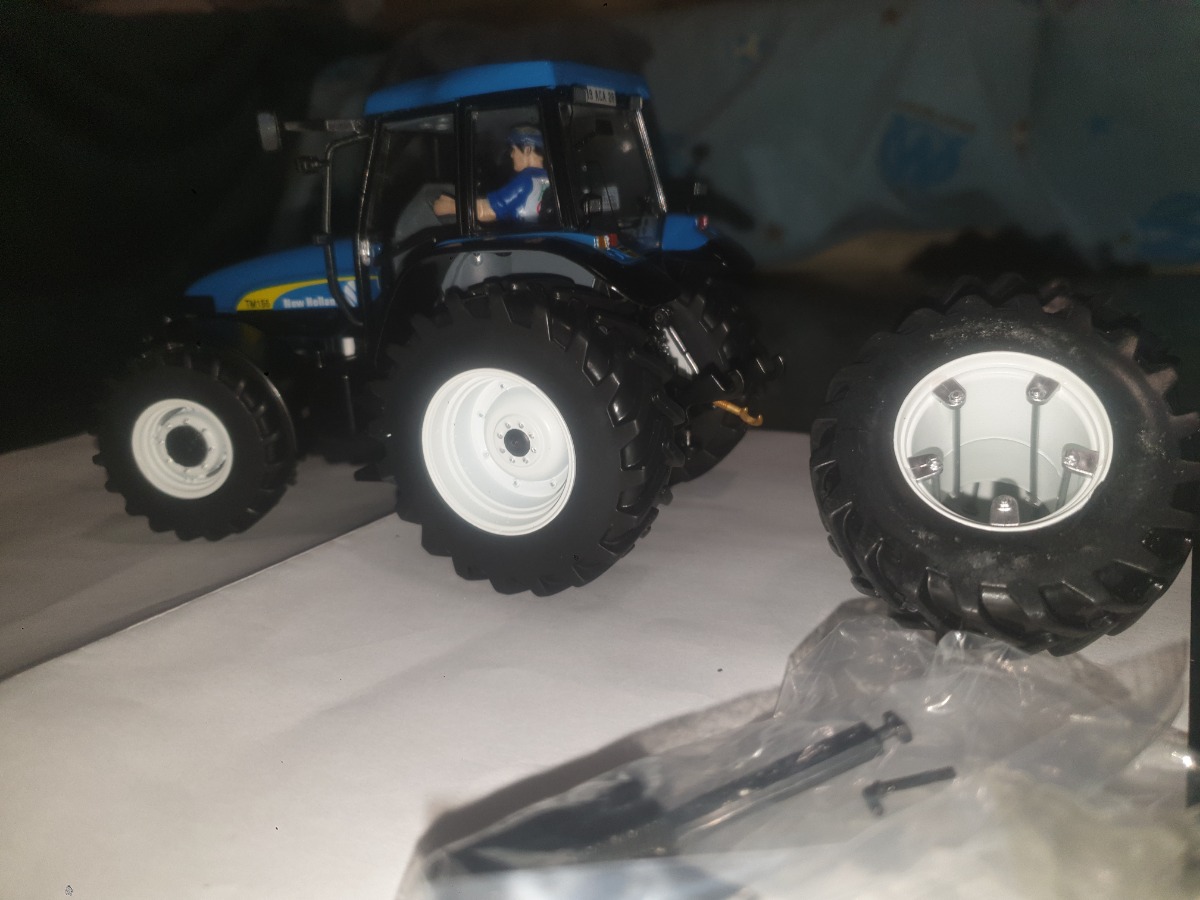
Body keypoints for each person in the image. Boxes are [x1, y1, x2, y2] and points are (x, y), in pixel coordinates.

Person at [433, 125, 550, 224]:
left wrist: (450, 207)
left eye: (513, 150)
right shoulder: (547, 178)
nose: (511, 155)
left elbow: (487, 211)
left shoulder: (526, 180)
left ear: (528, 149)